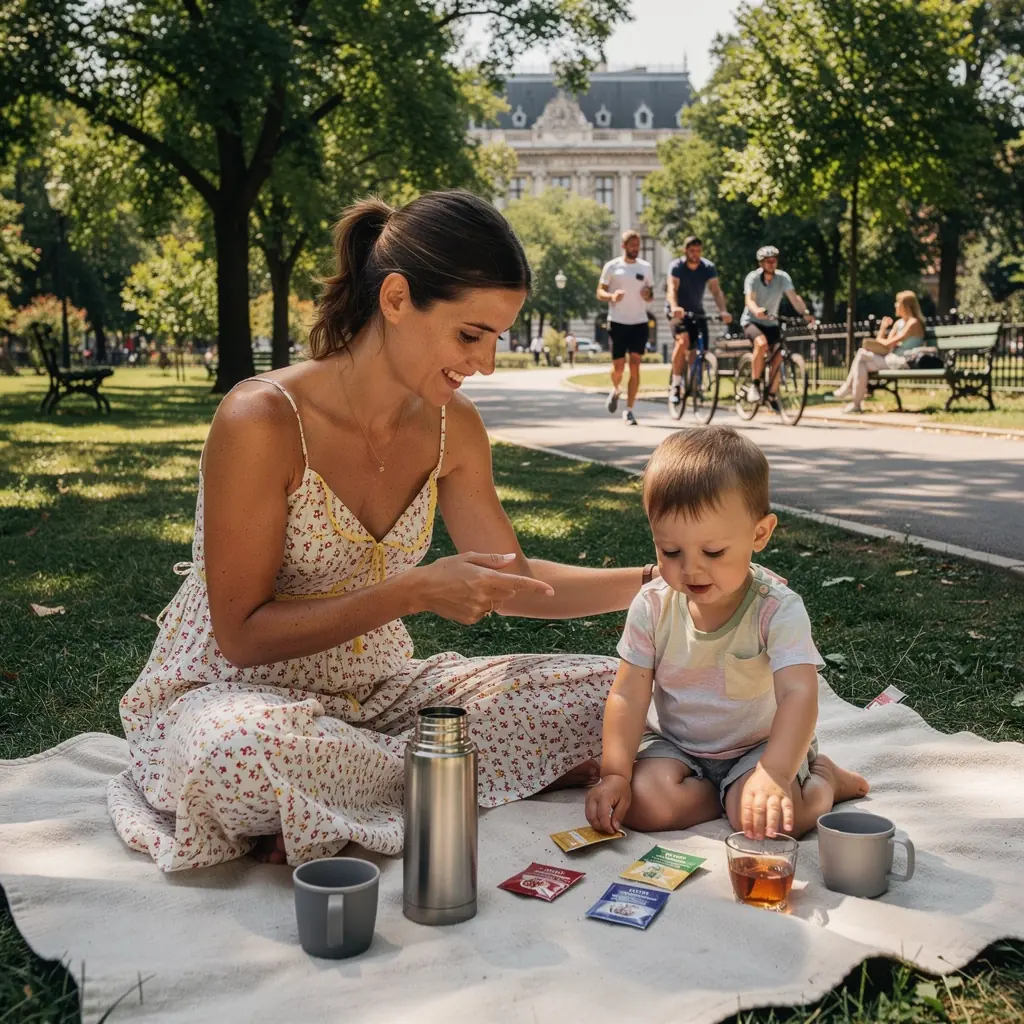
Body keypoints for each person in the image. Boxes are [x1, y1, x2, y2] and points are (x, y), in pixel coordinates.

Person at [108, 190, 659, 872]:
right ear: (395, 299)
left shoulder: (453, 427)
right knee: (233, 755)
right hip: (236, 695)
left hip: (379, 697)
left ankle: (343, 791)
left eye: (495, 338)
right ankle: (434, 772)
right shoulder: (262, 419)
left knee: (616, 691)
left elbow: (512, 582)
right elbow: (241, 634)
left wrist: (655, 584)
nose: (484, 364)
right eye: (469, 334)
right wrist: (412, 593)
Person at [585, 427, 869, 840]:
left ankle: (825, 781)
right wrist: (614, 773)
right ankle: (727, 797)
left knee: (773, 821)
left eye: (713, 552)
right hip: (681, 748)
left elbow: (798, 694)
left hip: (762, 748)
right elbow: (628, 694)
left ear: (760, 534)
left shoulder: (776, 608)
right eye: (670, 551)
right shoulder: (652, 606)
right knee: (643, 802)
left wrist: (774, 771)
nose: (691, 568)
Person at [741, 246, 815, 407]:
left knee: (779, 356)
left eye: (774, 260)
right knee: (761, 344)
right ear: (761, 263)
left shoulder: (783, 278)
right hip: (752, 321)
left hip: (772, 322)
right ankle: (754, 384)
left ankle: (772, 395)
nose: (772, 264)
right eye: (768, 261)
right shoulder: (753, 278)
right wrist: (757, 310)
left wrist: (806, 314)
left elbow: (794, 298)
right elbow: (749, 300)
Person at [830, 290, 926, 414]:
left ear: (906, 305)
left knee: (861, 354)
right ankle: (856, 404)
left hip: (905, 362)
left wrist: (885, 339)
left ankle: (848, 389)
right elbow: (883, 344)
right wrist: (883, 328)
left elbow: (887, 343)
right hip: (892, 359)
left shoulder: (913, 323)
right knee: (862, 364)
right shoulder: (899, 323)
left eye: (898, 302)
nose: (895, 305)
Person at [666, 236, 732, 411]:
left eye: (698, 251)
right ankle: (676, 383)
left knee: (699, 350)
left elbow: (716, 290)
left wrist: (723, 310)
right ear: (685, 251)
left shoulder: (707, 267)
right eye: (692, 251)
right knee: (683, 341)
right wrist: (674, 307)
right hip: (678, 311)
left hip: (696, 311)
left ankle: (695, 384)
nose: (695, 254)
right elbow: (672, 289)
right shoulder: (677, 266)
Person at [597, 229, 654, 426]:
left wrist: (648, 294)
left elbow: (651, 294)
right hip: (618, 321)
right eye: (632, 245)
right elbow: (600, 292)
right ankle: (616, 389)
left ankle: (629, 410)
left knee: (636, 364)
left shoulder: (645, 267)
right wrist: (611, 297)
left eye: (637, 245)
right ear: (623, 246)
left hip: (639, 321)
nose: (635, 249)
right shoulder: (612, 267)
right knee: (619, 367)